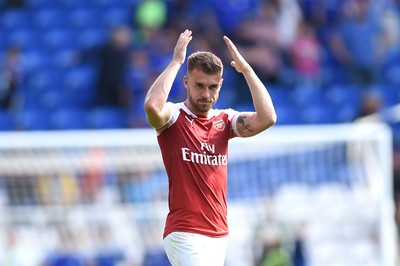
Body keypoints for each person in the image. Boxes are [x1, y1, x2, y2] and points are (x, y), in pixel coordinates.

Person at [143, 29, 277, 265]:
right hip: (184, 232)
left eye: (213, 87)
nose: (206, 94)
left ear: (220, 85)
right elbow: (153, 106)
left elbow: (267, 118)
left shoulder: (224, 121)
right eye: (199, 85)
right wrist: (176, 61)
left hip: (218, 234)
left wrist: (247, 70)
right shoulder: (174, 116)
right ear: (186, 83)